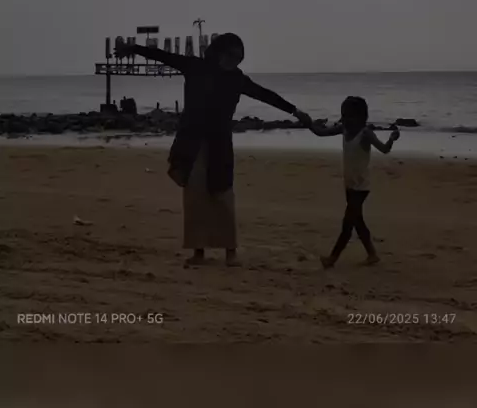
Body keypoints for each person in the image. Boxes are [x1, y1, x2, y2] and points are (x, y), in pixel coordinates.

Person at [114, 33, 312, 267]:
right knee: (194, 196)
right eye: (231, 55)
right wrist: (133, 49)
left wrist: (294, 111)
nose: (234, 61)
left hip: (220, 144)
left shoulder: (237, 79)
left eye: (239, 58)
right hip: (192, 142)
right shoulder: (195, 66)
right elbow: (162, 55)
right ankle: (198, 252)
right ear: (219, 51)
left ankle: (231, 252)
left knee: (223, 195)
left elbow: (265, 95)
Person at [310, 96, 400, 268]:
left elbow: (384, 149)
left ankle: (332, 258)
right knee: (358, 221)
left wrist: (392, 138)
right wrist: (307, 121)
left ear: (361, 117)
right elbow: (320, 132)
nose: (345, 119)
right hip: (350, 184)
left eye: (349, 116)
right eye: (343, 115)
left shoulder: (365, 133)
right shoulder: (343, 129)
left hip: (361, 187)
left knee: (347, 223)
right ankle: (372, 254)